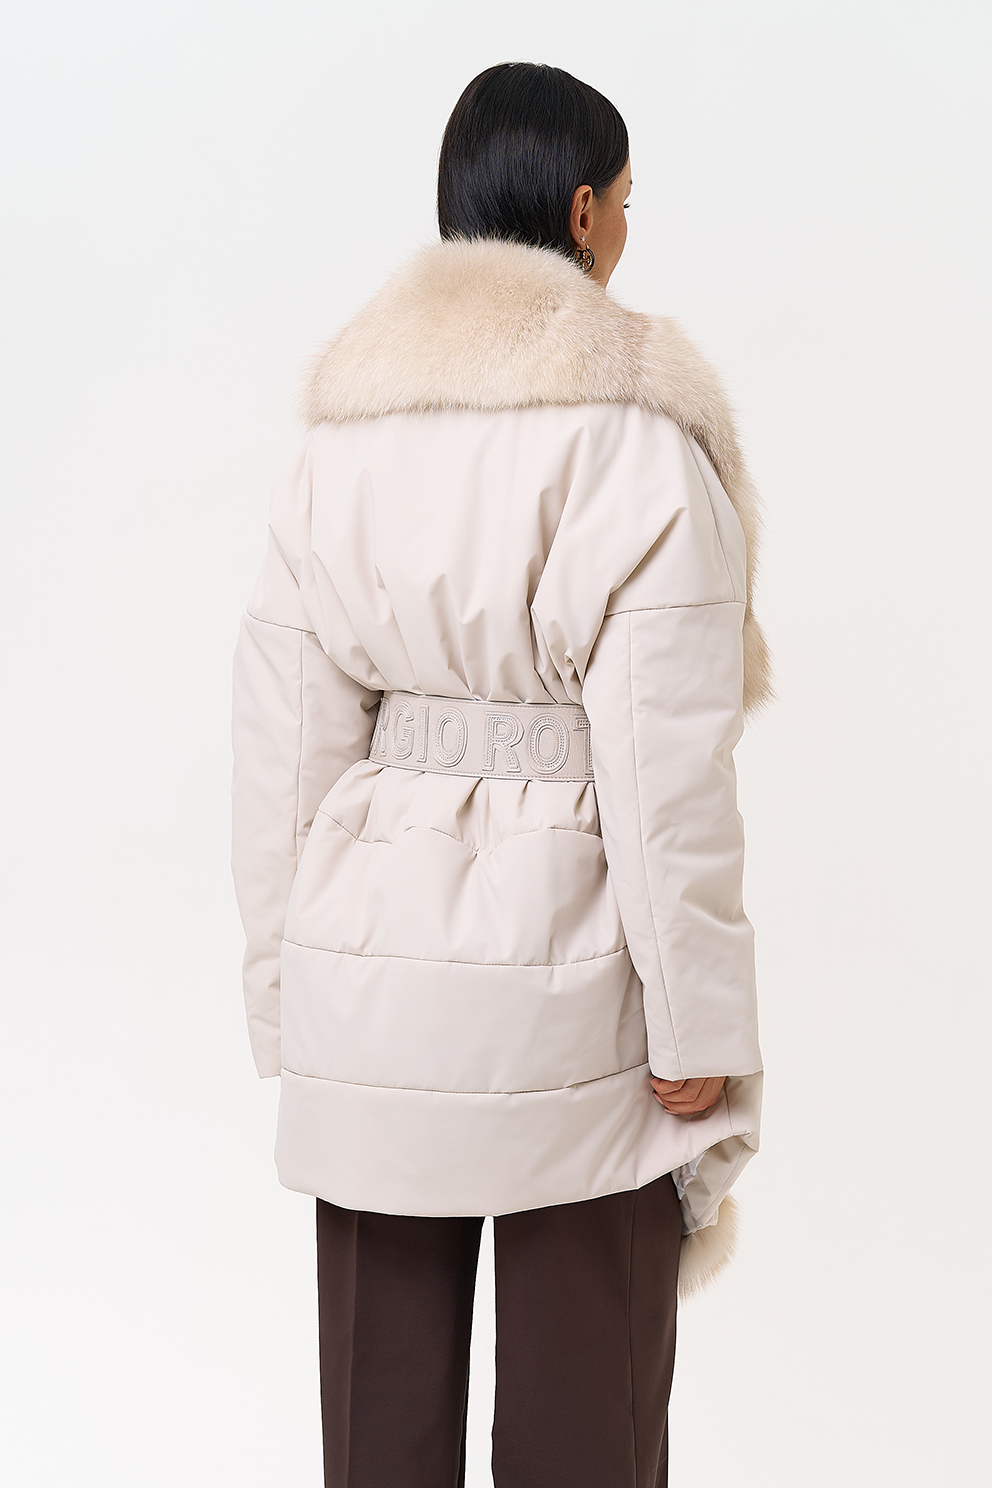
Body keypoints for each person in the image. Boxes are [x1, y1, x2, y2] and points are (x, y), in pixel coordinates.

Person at [232, 60, 771, 1488]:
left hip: (369, 987)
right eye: (630, 202)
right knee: (586, 1435)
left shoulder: (340, 442)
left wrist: (287, 989)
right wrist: (698, 1023)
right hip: (578, 993)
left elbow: (283, 738)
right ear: (583, 212)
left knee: (379, 1433)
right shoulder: (637, 438)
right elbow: (664, 769)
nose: (630, 230)